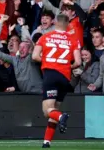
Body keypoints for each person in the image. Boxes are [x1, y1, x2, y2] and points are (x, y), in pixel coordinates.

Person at [32, 14, 82, 148]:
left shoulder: (45, 37)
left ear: (55, 22)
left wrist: (49, 61)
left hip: (51, 75)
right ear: (67, 24)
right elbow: (78, 62)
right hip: (65, 78)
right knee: (54, 109)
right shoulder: (73, 39)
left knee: (47, 110)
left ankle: (61, 117)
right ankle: (46, 142)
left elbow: (35, 56)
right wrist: (67, 66)